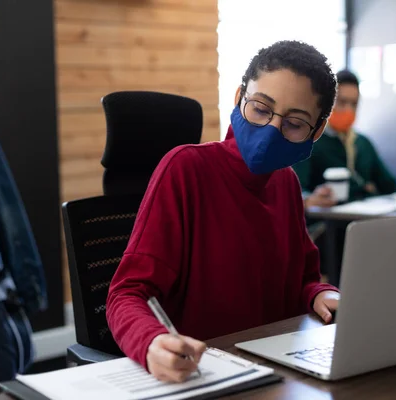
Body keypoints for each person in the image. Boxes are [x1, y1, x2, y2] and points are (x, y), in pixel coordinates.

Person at [106, 40, 340, 383]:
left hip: (273, 371)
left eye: (294, 123)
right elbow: (126, 294)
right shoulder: (185, 168)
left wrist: (321, 294)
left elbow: (302, 282)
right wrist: (151, 342)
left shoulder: (286, 183)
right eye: (261, 108)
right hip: (202, 373)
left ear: (316, 131)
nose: (271, 130)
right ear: (239, 98)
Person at [293, 69, 396, 209]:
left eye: (354, 104)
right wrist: (309, 200)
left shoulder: (362, 143)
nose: (348, 110)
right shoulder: (309, 142)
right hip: (328, 224)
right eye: (342, 102)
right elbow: (293, 192)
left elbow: (390, 185)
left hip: (364, 220)